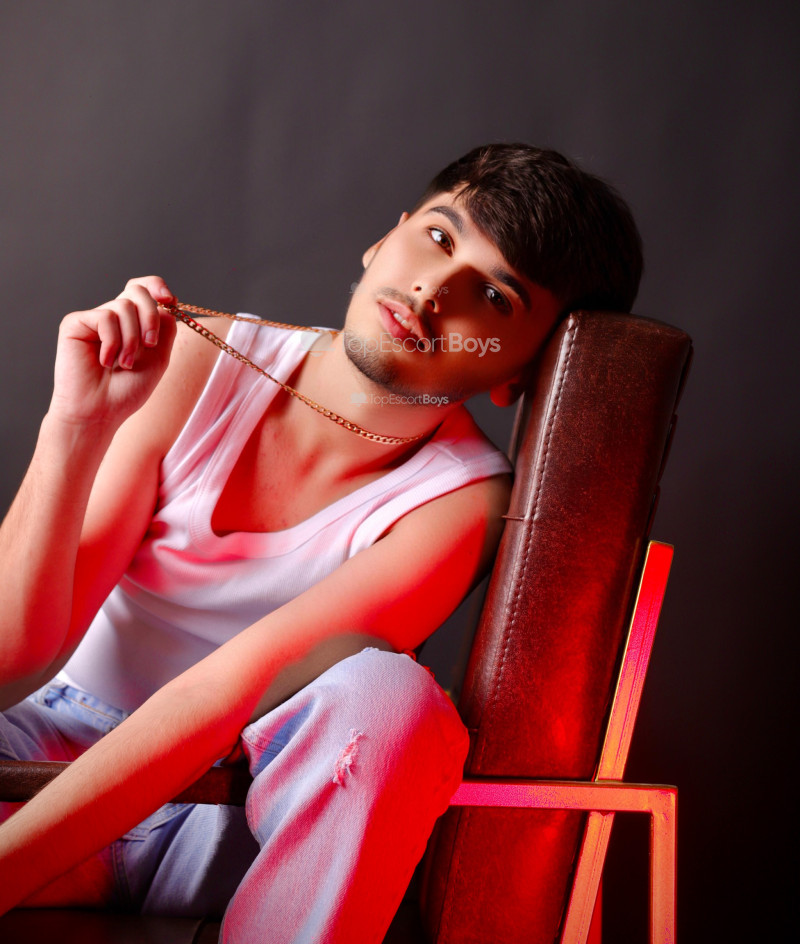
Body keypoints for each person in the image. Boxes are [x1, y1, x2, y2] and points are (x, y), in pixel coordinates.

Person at [0, 143, 642, 942]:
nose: (434, 289)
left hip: (224, 812)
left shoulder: (462, 503)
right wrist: (75, 427)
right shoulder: (196, 357)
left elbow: (224, 695)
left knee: (393, 700)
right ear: (384, 239)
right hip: (39, 760)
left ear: (519, 375)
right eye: (439, 238)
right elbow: (18, 653)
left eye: (492, 296)